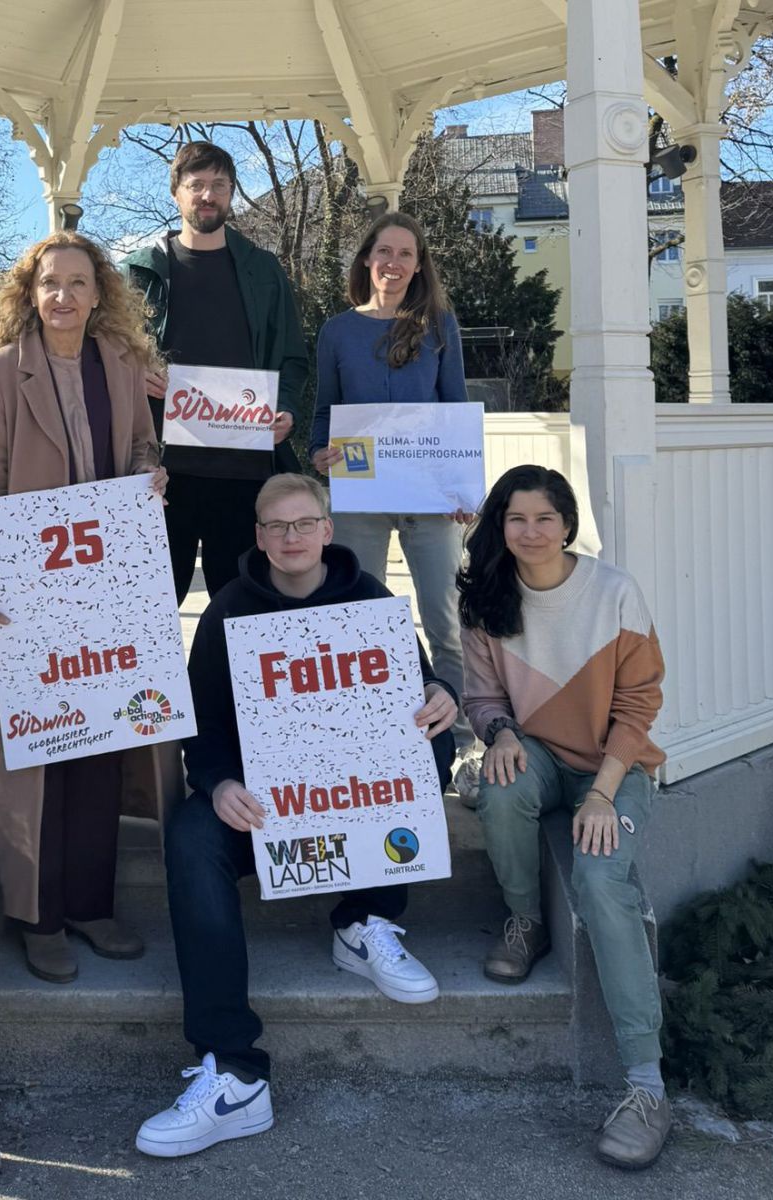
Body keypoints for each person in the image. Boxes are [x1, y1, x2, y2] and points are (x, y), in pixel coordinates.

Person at [135, 473, 457, 1158]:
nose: (291, 538)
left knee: (435, 739)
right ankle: (234, 1071)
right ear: (257, 536)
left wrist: (439, 694)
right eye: (277, 526)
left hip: (347, 810)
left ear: (327, 530)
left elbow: (420, 685)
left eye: (303, 524)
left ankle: (366, 919)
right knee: (193, 836)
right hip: (264, 813)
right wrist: (217, 783)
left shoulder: (371, 597)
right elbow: (205, 728)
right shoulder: (226, 611)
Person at [0, 231, 167, 986]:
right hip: (24, 585)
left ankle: (90, 906)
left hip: (107, 584)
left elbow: (143, 448)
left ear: (100, 292)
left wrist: (149, 474)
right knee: (39, 751)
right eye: (50, 284)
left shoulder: (125, 365)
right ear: (30, 294)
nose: (64, 296)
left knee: (100, 745)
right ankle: (37, 917)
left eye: (78, 282)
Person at [457, 465, 669, 1169]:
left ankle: (647, 1088)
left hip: (615, 765)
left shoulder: (613, 591)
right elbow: (482, 699)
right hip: (541, 751)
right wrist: (502, 734)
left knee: (604, 884)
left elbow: (640, 706)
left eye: (544, 518)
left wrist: (605, 793)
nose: (530, 532)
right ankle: (526, 921)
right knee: (502, 788)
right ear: (500, 524)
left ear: (568, 523)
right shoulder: (487, 594)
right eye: (515, 519)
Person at [308, 212, 480, 790]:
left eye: (407, 254)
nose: (394, 263)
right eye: (384, 251)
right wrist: (316, 453)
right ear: (365, 259)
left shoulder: (439, 325)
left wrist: (463, 487)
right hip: (359, 495)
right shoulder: (337, 331)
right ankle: (370, 734)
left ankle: (455, 746)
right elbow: (324, 413)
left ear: (419, 264)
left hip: (430, 497)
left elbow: (454, 408)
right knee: (357, 619)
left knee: (445, 619)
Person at [122, 140, 309, 603]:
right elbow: (105, 357)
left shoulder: (263, 271)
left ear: (231, 194)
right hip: (163, 474)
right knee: (152, 608)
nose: (208, 195)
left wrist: (284, 410)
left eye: (219, 186)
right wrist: (133, 376)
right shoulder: (138, 274)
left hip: (243, 473)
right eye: (197, 185)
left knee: (243, 609)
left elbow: (292, 357)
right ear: (176, 194)